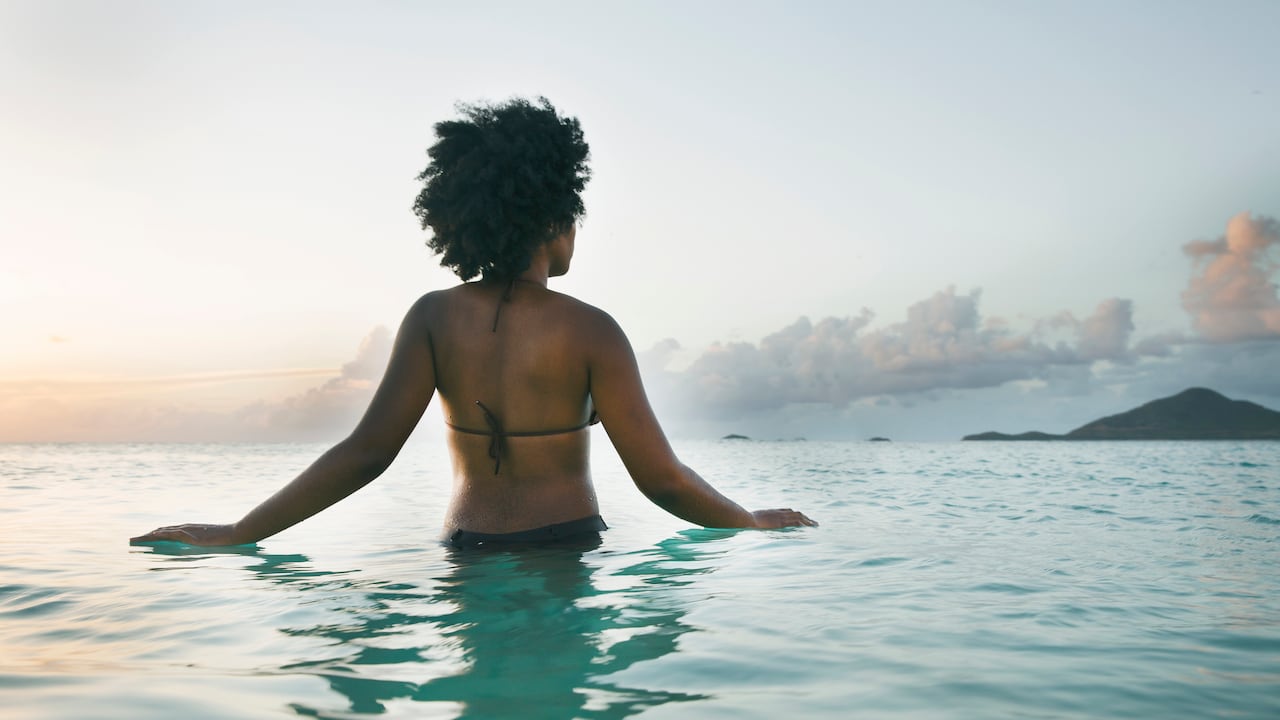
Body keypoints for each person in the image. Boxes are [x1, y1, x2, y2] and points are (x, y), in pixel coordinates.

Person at [131, 97, 816, 549]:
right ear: (552, 220)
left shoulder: (432, 318)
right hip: (564, 547)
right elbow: (661, 478)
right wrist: (748, 519)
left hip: (467, 550)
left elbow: (366, 454)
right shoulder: (593, 333)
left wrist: (242, 531)